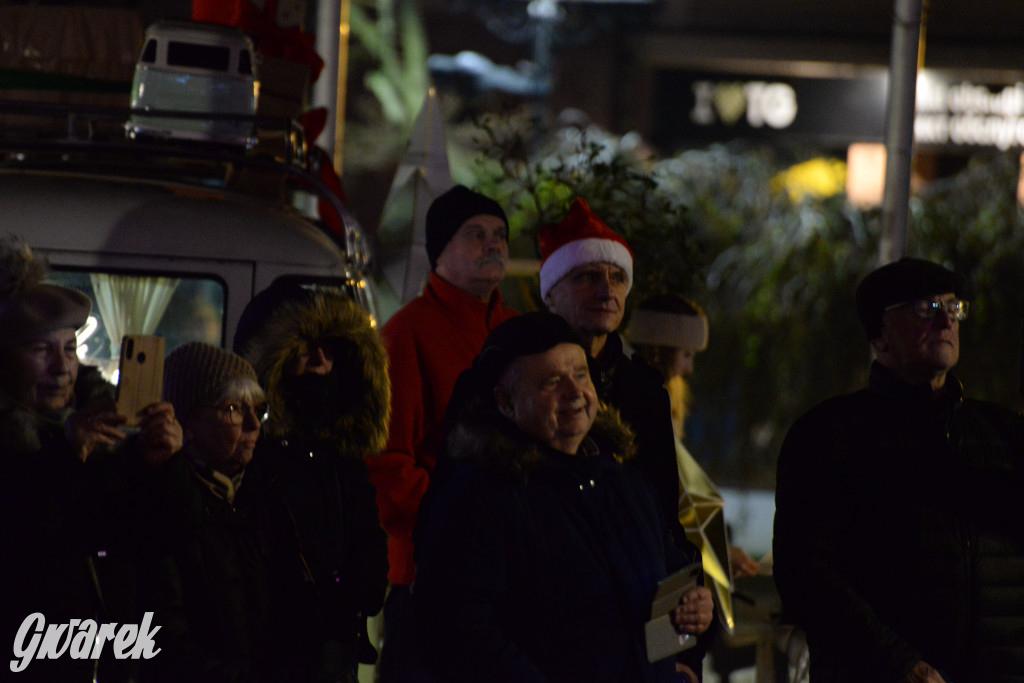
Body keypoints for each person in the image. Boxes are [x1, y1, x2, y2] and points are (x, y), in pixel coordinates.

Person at [412, 312, 715, 683]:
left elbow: (668, 587)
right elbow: (459, 633)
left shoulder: (626, 485)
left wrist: (694, 615)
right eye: (552, 382)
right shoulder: (478, 500)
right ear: (505, 402)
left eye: (581, 374)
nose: (575, 393)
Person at [773, 257, 1024, 683]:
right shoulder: (831, 435)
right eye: (925, 308)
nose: (946, 319)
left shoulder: (1003, 433)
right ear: (879, 338)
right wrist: (899, 664)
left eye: (953, 306)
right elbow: (805, 574)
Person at [0, 236, 181, 683]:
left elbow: (161, 542)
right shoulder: (21, 444)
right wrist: (65, 454)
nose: (62, 368)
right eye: (42, 350)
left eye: (71, 348)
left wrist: (161, 466)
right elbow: (22, 542)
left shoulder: (104, 434)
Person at [365, 184, 518, 673]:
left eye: (499, 235)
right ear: (439, 253)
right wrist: (457, 522)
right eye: (475, 235)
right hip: (429, 575)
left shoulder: (520, 334)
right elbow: (386, 467)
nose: (493, 245)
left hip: (513, 571)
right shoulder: (405, 334)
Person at [232, 281, 390, 681]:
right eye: (304, 350)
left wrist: (361, 587)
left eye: (329, 348)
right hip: (271, 656)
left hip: (335, 652)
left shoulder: (342, 451)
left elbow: (365, 535)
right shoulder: (251, 454)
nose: (321, 361)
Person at [144, 342, 324, 682]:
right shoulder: (166, 499)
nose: (254, 424)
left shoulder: (259, 497)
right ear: (189, 423)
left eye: (258, 409)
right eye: (233, 409)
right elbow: (166, 635)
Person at [539, 198, 681, 543]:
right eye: (587, 277)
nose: (606, 291)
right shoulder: (521, 379)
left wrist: (686, 578)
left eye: (618, 278)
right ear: (551, 294)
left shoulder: (645, 389)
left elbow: (664, 511)